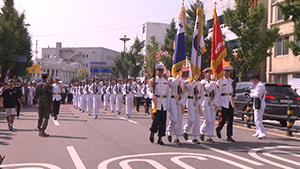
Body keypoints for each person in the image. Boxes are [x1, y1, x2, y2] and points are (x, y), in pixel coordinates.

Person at [148, 63, 170, 145]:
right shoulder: (153, 81)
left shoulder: (166, 81)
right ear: (156, 72)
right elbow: (148, 91)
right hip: (156, 102)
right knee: (156, 120)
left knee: (163, 121)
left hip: (163, 102)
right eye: (159, 70)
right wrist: (151, 96)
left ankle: (160, 138)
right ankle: (152, 132)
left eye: (162, 70)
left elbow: (168, 93)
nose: (160, 72)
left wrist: (168, 104)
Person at [216, 66, 236, 142]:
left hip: (230, 101)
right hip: (223, 100)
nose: (227, 73)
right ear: (223, 72)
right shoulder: (220, 81)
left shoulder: (231, 81)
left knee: (230, 119)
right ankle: (219, 128)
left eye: (228, 71)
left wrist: (234, 95)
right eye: (226, 71)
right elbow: (218, 93)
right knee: (224, 118)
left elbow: (232, 90)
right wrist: (219, 104)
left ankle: (229, 136)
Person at [200, 67, 219, 143]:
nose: (210, 74)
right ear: (205, 74)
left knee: (212, 120)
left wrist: (214, 101)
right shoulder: (203, 82)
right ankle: (202, 131)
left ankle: (209, 136)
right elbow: (208, 89)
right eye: (209, 73)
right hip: (206, 100)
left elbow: (217, 92)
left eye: (211, 72)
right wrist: (212, 82)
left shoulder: (214, 83)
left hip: (212, 102)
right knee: (208, 119)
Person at [246, 74, 267, 139]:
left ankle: (263, 133)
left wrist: (250, 94)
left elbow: (257, 95)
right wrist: (250, 91)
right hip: (258, 104)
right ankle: (258, 131)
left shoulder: (260, 86)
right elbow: (255, 91)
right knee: (257, 119)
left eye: (253, 80)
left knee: (257, 119)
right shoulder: (259, 86)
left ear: (256, 80)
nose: (253, 82)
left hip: (259, 105)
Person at [183, 77, 203, 144]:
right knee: (191, 119)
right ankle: (186, 129)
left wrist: (200, 102)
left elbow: (202, 95)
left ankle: (195, 137)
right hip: (190, 100)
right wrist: (194, 81)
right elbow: (190, 88)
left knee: (197, 120)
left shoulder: (200, 84)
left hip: (197, 101)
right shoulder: (188, 82)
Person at [167, 76, 186, 145]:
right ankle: (169, 130)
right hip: (173, 100)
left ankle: (177, 138)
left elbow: (185, 92)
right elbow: (173, 84)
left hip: (179, 100)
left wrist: (182, 100)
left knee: (180, 120)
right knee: (174, 119)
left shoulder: (183, 81)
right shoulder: (171, 79)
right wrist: (177, 79)